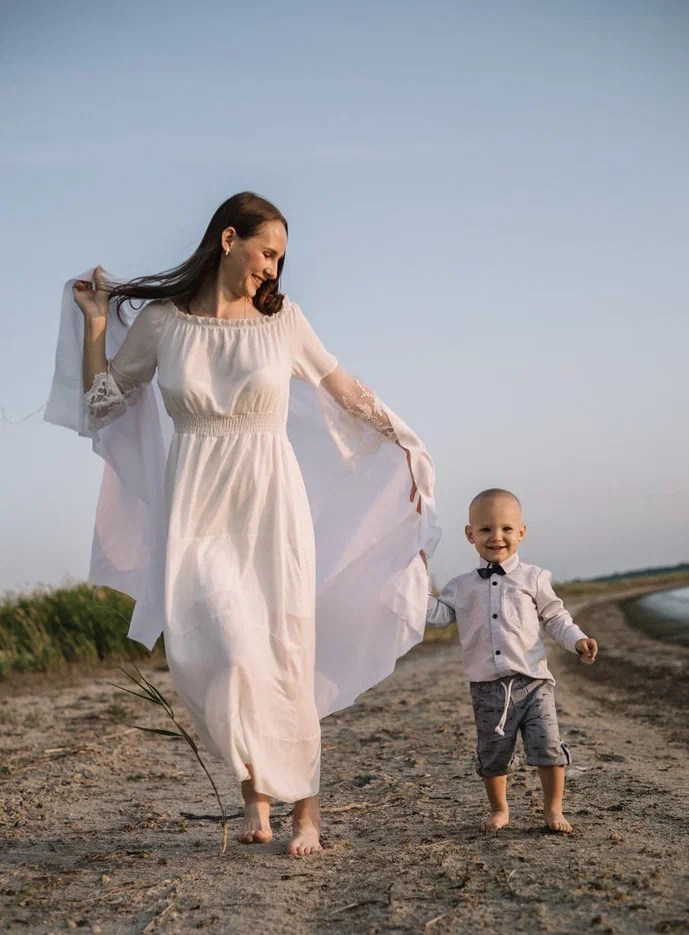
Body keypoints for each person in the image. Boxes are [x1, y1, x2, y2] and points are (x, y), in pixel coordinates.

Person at [52, 192, 438, 857]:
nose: (273, 269)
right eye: (267, 252)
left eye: (281, 259)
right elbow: (103, 404)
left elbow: (342, 389)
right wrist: (94, 325)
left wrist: (403, 441)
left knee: (284, 651)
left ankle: (300, 811)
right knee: (221, 650)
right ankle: (254, 783)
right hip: (197, 506)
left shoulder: (284, 321)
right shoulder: (164, 324)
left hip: (270, 503)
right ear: (228, 239)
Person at [426, 488, 597, 833]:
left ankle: (553, 809)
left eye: (506, 528)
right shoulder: (460, 587)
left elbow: (555, 618)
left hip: (534, 683)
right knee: (493, 753)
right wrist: (414, 585)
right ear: (470, 534)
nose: (496, 536)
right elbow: (438, 616)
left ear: (521, 532)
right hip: (486, 687)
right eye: (485, 529)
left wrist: (577, 639)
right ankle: (499, 809)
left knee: (547, 746)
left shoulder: (534, 578)